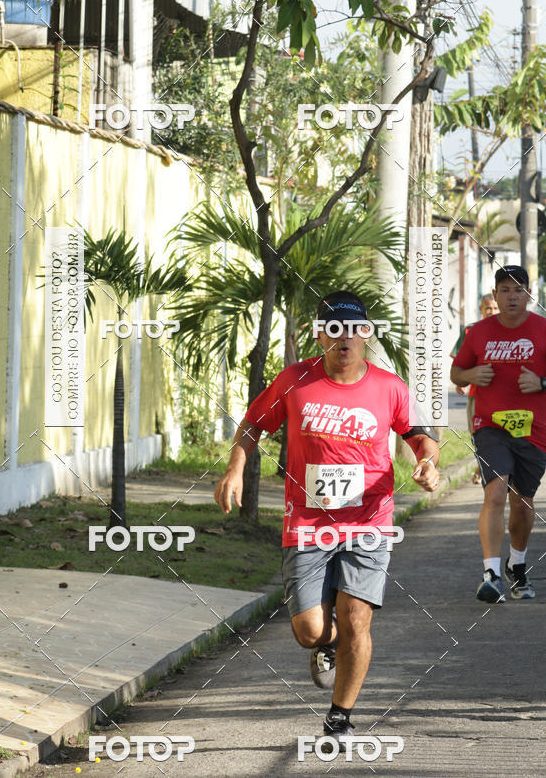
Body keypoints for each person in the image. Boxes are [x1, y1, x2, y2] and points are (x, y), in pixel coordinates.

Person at [214, 290, 440, 747]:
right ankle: (327, 644)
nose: (345, 338)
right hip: (307, 525)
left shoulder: (389, 387)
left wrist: (428, 462)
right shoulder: (295, 381)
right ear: (320, 335)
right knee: (310, 631)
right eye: (334, 329)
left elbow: (422, 435)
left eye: (355, 329)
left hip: (369, 521)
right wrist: (235, 467)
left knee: (357, 617)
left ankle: (340, 717)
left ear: (366, 335)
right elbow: (255, 423)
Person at [451, 265, 546, 603]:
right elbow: (457, 374)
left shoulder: (543, 329)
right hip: (490, 426)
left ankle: (516, 566)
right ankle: (490, 574)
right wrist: (471, 373)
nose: (511, 297)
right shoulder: (478, 332)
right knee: (494, 493)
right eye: (504, 290)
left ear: (529, 294)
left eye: (518, 290)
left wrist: (541, 383)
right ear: (495, 295)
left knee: (522, 504)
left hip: (534, 430)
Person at [451, 294, 499, 483]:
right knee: (477, 435)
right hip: (476, 396)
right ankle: (482, 466)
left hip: (503, 397)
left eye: (495, 308)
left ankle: (489, 468)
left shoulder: (509, 330)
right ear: (481, 310)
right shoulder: (471, 331)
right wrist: (459, 382)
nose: (492, 312)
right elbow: (460, 364)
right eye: (488, 308)